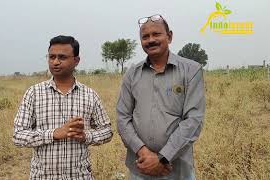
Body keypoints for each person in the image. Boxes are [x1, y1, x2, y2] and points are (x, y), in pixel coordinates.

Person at [117, 14, 206, 180]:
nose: (150, 40)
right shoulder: (132, 74)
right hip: (140, 167)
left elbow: (193, 119)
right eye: (145, 36)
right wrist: (143, 152)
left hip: (177, 168)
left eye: (156, 34)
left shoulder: (191, 70)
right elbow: (123, 118)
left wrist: (162, 158)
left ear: (169, 36)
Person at [13, 35, 113, 179]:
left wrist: (86, 136)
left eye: (62, 57)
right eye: (51, 57)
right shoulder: (33, 93)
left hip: (79, 176)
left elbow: (107, 131)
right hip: (43, 176)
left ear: (76, 60)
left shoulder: (89, 95)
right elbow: (18, 135)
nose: (55, 62)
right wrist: (54, 133)